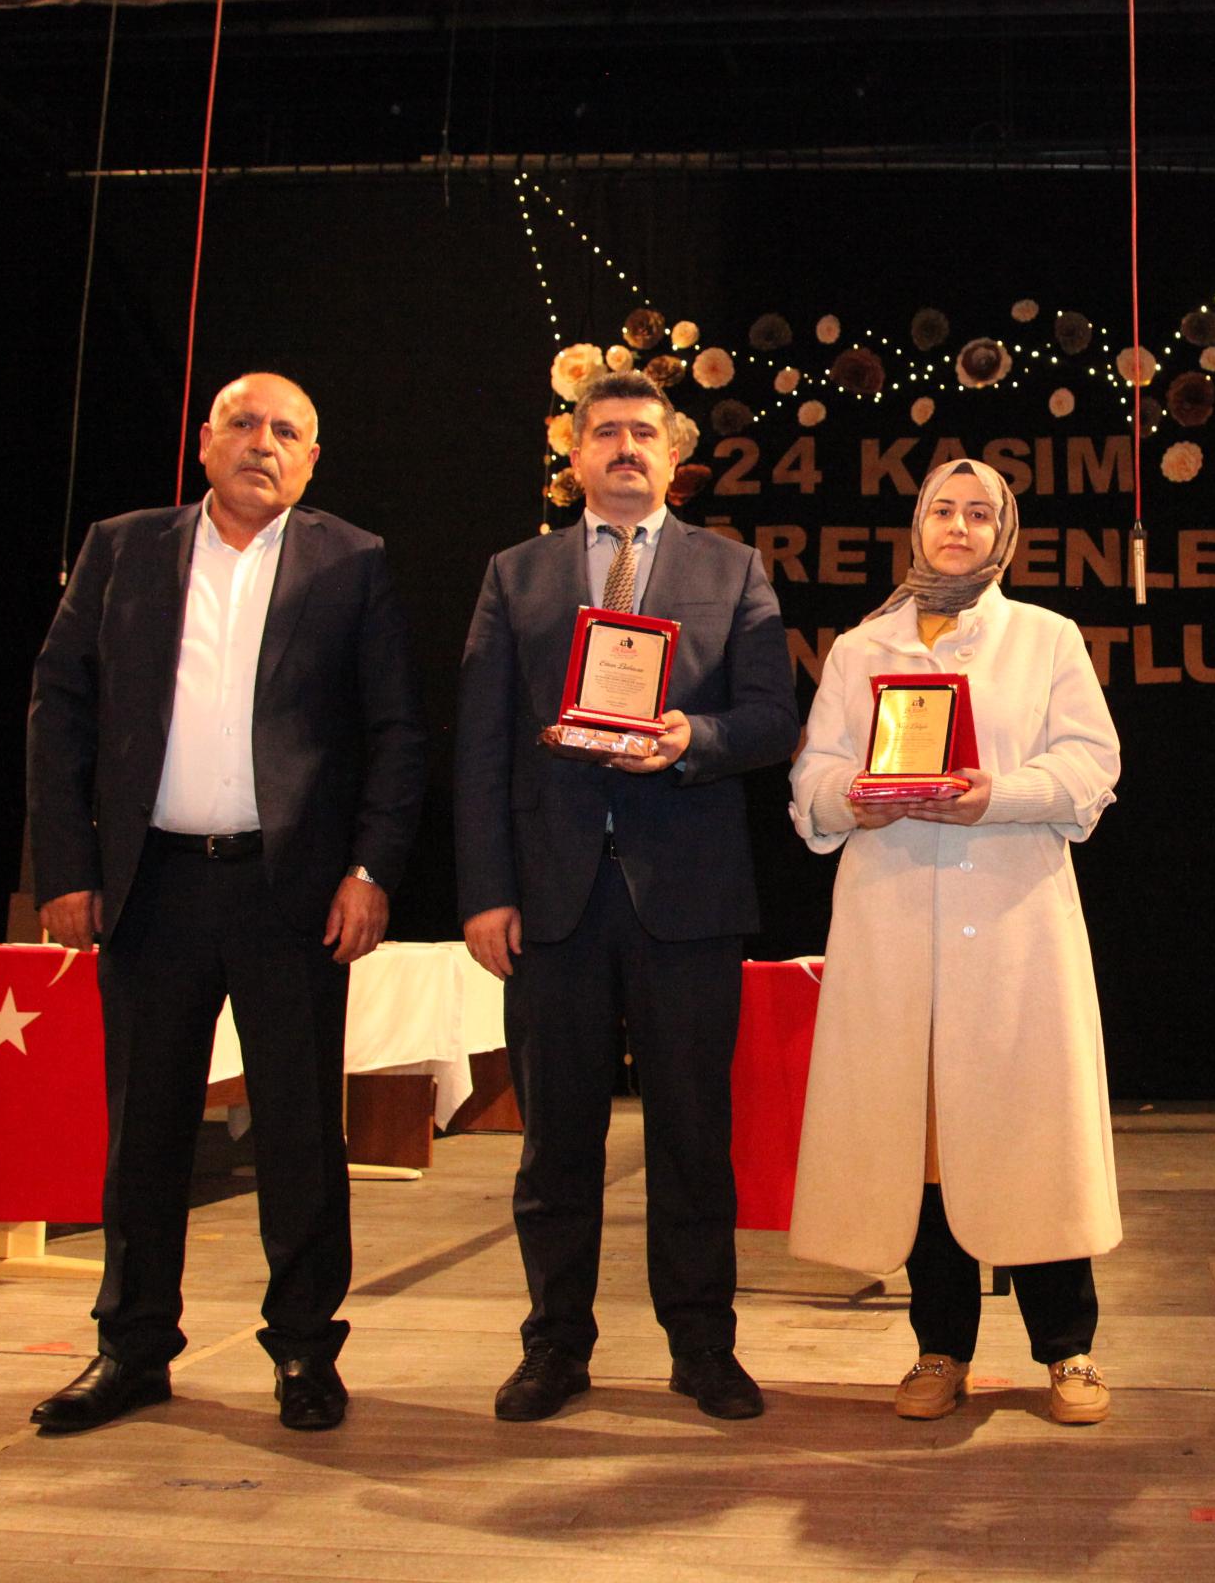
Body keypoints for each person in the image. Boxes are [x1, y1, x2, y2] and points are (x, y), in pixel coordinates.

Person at [25, 371, 427, 1434]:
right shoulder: (122, 549)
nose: (262, 443)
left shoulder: (354, 561)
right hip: (150, 887)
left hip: (290, 893)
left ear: (312, 459)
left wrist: (371, 870)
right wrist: (65, 867)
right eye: (243, 423)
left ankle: (304, 1349)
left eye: (286, 431)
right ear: (204, 442)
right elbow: (59, 709)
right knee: (144, 1134)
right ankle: (132, 1348)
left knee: (300, 1136)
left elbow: (395, 731)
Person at [455, 368, 797, 1424]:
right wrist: (485, 892)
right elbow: (480, 746)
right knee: (556, 1142)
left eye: (644, 432)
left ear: (674, 454)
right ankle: (554, 1347)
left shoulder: (733, 569)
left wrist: (695, 739)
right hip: (550, 900)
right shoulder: (515, 575)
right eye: (604, 432)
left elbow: (773, 718)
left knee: (692, 1136)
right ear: (575, 456)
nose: (625, 448)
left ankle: (703, 1346)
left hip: (688, 899)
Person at [785, 457, 1124, 1426]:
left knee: (1032, 1132)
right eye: (944, 509)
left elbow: (1093, 764)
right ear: (918, 525)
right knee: (923, 1147)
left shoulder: (1046, 638)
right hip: (894, 925)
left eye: (981, 513)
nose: (960, 527)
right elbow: (813, 775)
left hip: (1015, 928)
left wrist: (997, 795)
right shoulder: (863, 647)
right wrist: (852, 798)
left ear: (1004, 535)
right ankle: (940, 1348)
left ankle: (1068, 1350)